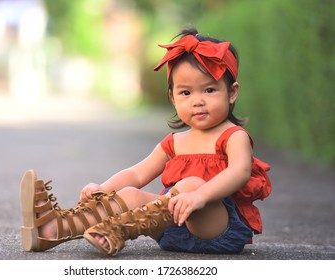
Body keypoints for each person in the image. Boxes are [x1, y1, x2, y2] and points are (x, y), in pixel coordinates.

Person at [19, 27, 272, 256]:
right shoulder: (175, 142)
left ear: (232, 93)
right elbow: (137, 173)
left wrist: (200, 196)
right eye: (186, 92)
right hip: (173, 231)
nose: (197, 100)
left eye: (209, 90)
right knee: (130, 193)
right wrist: (102, 189)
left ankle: (120, 229)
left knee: (191, 184)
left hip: (218, 230)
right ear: (173, 98)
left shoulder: (232, 136)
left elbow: (240, 171)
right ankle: (54, 229)